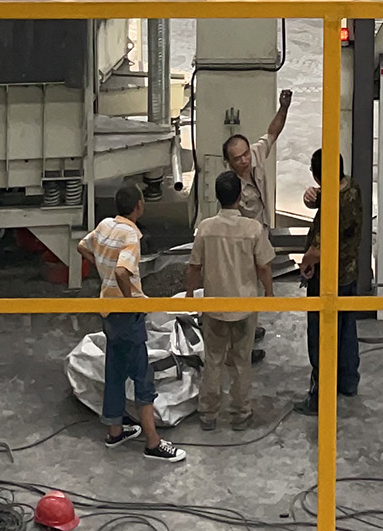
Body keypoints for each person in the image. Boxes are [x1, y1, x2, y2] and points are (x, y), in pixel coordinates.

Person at [76, 182, 184, 462]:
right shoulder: (131, 235)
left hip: (108, 312)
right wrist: (129, 300)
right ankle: (153, 443)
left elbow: (82, 246)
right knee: (142, 376)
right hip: (126, 315)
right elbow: (123, 272)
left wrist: (102, 271)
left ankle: (115, 431)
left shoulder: (105, 225)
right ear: (139, 206)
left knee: (115, 370)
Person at [185, 170, 274, 428]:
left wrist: (190, 295)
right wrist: (269, 293)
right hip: (245, 307)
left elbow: (194, 266)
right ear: (239, 197)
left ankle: (208, 414)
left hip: (213, 308)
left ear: (217, 197)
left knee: (213, 360)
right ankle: (240, 414)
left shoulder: (205, 228)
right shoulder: (253, 229)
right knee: (241, 362)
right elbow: (264, 266)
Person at [294, 148, 361, 413]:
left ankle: (319, 396)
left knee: (321, 336)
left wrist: (306, 264)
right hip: (349, 273)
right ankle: (348, 382)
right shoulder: (351, 188)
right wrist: (312, 197)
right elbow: (325, 198)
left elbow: (319, 250)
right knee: (346, 330)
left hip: (327, 279)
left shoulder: (336, 203)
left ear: (317, 175)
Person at [220, 89, 292, 232]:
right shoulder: (230, 186)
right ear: (228, 161)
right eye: (237, 159)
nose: (244, 160)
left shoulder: (255, 154)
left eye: (245, 154)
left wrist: (283, 108)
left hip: (264, 229)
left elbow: (272, 134)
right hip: (245, 236)